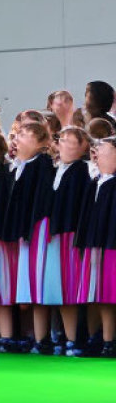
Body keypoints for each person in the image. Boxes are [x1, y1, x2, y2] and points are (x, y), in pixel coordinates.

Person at [0, 121, 54, 353]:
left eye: (27, 136)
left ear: (41, 143)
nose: (19, 139)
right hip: (19, 234)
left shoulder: (43, 165)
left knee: (36, 286)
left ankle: (41, 338)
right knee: (24, 289)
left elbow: (40, 203)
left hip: (35, 231)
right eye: (18, 135)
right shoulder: (16, 166)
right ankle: (27, 336)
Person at [44, 127, 91, 354]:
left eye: (70, 141)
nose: (63, 144)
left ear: (83, 147)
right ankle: (60, 335)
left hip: (71, 235)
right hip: (56, 234)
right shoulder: (56, 169)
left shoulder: (82, 171)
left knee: (70, 288)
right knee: (58, 288)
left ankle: (74, 338)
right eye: (61, 140)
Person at [77, 136, 116, 357]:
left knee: (109, 293)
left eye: (103, 150)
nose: (97, 154)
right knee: (95, 293)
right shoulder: (96, 182)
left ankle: (109, 340)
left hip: (111, 244)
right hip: (95, 243)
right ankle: (95, 337)